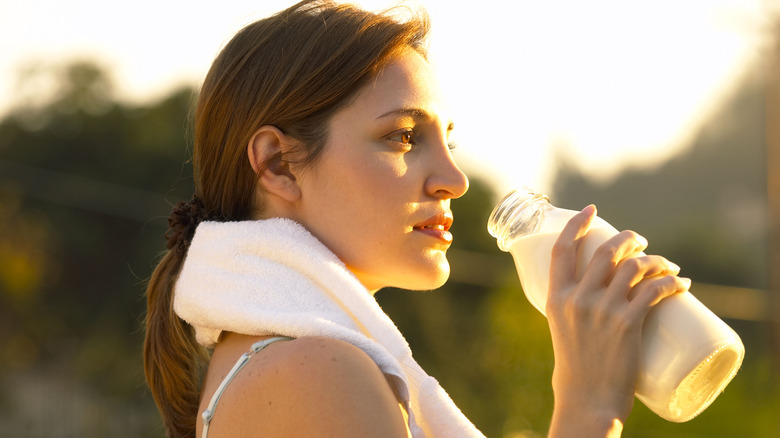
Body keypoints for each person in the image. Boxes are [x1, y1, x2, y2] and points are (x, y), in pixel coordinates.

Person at [143, 1, 691, 437]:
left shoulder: (279, 363)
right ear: (278, 164)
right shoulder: (314, 371)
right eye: (403, 137)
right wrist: (589, 408)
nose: (455, 179)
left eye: (447, 140)